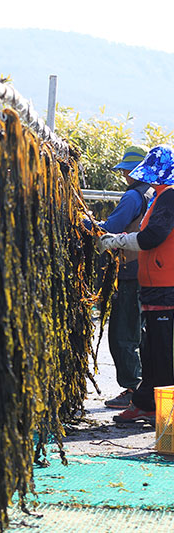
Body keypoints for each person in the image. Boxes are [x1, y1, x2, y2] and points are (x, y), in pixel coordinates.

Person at [98, 144, 174, 423]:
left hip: (167, 287)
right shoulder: (159, 196)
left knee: (163, 351)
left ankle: (164, 415)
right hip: (155, 286)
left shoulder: (169, 197)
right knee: (151, 347)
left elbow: (153, 236)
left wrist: (117, 240)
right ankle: (144, 402)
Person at [84, 145, 153, 409]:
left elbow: (110, 228)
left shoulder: (132, 197)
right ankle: (142, 387)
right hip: (147, 272)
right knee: (141, 332)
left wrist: (84, 222)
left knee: (123, 332)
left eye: (126, 169)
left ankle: (132, 389)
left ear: (136, 170)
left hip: (128, 272)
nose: (123, 174)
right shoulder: (151, 194)